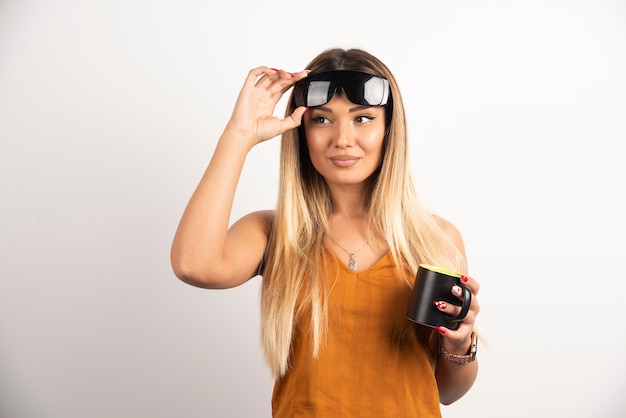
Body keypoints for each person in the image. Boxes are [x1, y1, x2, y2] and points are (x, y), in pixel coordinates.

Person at [170, 47, 481, 417]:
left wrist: (460, 346)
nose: (342, 138)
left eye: (363, 118)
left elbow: (447, 392)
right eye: (321, 120)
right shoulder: (274, 234)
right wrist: (239, 135)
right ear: (301, 131)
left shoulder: (435, 238)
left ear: (388, 130)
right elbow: (193, 264)